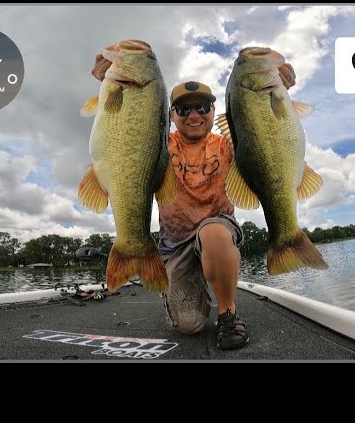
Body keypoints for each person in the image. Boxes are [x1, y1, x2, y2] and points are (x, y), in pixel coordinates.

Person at [91, 50, 296, 350]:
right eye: (183, 110)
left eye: (202, 107)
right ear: (170, 115)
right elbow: (123, 131)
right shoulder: (158, 143)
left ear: (214, 111)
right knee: (190, 326)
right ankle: (191, 288)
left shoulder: (229, 144)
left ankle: (227, 313)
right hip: (174, 246)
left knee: (213, 233)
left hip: (217, 233)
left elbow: (267, 138)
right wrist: (104, 84)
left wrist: (279, 90)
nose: (194, 115)